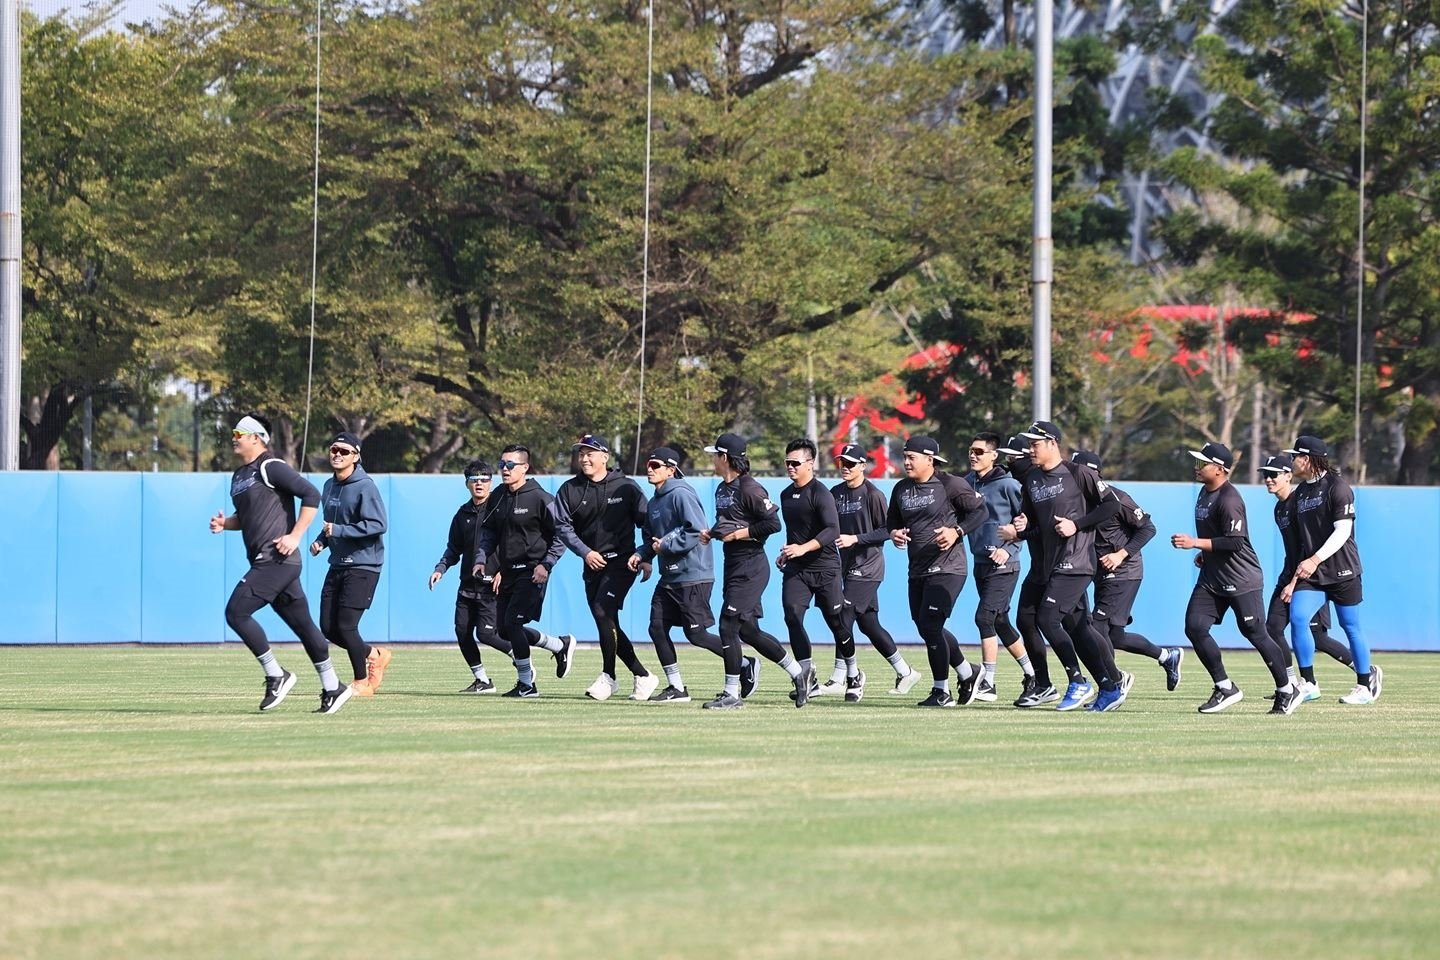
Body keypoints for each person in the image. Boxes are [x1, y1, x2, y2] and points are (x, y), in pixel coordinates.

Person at [210, 413, 352, 714]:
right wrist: (226, 524)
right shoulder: (239, 476)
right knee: (303, 626)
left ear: (256, 438)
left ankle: (276, 675)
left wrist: (295, 535)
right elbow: (247, 518)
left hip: (276, 560)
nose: (234, 438)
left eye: (239, 433)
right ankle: (333, 687)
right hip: (273, 563)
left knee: (236, 612)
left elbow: (311, 495)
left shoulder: (270, 466)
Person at [1004, 421, 1131, 712]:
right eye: (1029, 444)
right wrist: (1022, 525)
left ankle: (1077, 681)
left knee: (1048, 619)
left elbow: (1111, 505)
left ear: (1052, 443)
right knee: (1077, 628)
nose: (1031, 449)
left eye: (1035, 444)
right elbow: (1032, 521)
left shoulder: (1078, 473)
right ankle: (1109, 688)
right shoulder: (1033, 480)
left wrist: (1077, 524)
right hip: (1051, 565)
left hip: (1077, 562)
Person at [1170, 441, 1300, 715]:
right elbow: (1218, 537)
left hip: (1241, 578)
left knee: (1255, 633)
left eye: (1202, 463)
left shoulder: (1229, 499)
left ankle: (1287, 689)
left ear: (1220, 469)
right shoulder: (1205, 492)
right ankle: (1225, 687)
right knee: (1195, 627)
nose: (1197, 466)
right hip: (1212, 578)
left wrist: (1196, 543)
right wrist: (1205, 553)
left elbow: (1235, 542)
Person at [703, 432, 813, 708]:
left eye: (715, 455)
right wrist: (712, 533)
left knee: (727, 625)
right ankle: (799, 673)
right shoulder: (722, 489)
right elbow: (728, 522)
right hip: (733, 564)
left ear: (725, 457)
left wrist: (739, 534)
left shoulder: (749, 488)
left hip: (751, 566)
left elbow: (772, 524)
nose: (712, 460)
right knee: (748, 631)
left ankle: (732, 693)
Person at [553, 434, 659, 703]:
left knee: (603, 611)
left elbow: (648, 523)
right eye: (581, 454)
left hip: (623, 562)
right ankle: (643, 675)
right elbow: (562, 526)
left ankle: (608, 676)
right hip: (592, 564)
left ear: (605, 457)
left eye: (590, 453)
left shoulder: (627, 487)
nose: (584, 458)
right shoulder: (569, 489)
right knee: (607, 621)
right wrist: (586, 552)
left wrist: (646, 555)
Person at [885, 435, 988, 707]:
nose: (906, 462)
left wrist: (957, 531)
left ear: (929, 460)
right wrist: (894, 533)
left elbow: (981, 512)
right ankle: (968, 672)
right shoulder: (901, 489)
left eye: (912, 457)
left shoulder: (951, 484)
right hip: (917, 569)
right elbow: (892, 521)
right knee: (926, 627)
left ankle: (941, 691)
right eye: (905, 457)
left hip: (949, 567)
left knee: (931, 625)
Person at [1068, 450, 1184, 690]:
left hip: (1124, 571)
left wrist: (1120, 554)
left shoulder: (1117, 498)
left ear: (1094, 474)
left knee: (1097, 627)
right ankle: (1167, 656)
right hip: (1101, 574)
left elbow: (1148, 528)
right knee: (1115, 636)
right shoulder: (1076, 503)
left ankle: (1113, 684)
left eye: (1079, 471)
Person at [1281, 435, 1381, 704]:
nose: (1292, 461)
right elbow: (1301, 541)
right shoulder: (1301, 493)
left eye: (1294, 457)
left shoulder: (1338, 487)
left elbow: (1342, 531)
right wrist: (1294, 579)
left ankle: (1365, 685)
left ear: (1307, 459)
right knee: (1298, 618)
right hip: (1313, 574)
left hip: (1343, 570)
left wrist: (1314, 559)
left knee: (1350, 626)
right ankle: (1309, 683)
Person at [472, 444, 577, 698]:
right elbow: (488, 531)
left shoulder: (541, 498)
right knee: (503, 630)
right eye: (502, 465)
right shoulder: (498, 496)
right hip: (508, 572)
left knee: (513, 622)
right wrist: (481, 559)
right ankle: (558, 645)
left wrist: (546, 564)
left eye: (510, 465)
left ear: (525, 467)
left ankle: (527, 685)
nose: (505, 470)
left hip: (532, 571)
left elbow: (562, 535)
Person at [628, 447, 725, 705]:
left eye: (656, 465)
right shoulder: (654, 502)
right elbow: (651, 540)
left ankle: (744, 663)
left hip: (693, 574)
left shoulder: (681, 493)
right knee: (657, 627)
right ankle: (677, 688)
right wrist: (641, 554)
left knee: (697, 635)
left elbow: (696, 530)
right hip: (669, 577)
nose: (650, 469)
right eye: (648, 464)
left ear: (671, 470)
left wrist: (666, 545)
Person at [1258, 453, 1353, 701]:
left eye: (1273, 474)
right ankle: (1290, 684)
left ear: (1288, 476)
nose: (1268, 479)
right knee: (1272, 628)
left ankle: (1366, 672)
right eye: (1265, 474)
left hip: (1311, 577)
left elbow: (1307, 548)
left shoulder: (1299, 503)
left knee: (1318, 637)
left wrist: (1294, 583)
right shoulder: (1280, 508)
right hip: (1290, 573)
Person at [829, 443, 922, 695]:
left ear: (862, 466)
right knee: (868, 624)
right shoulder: (835, 493)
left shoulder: (873, 494)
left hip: (868, 566)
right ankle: (905, 671)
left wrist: (855, 539)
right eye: (842, 462)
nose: (845, 467)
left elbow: (887, 530)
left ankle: (843, 677)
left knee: (843, 616)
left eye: (851, 463)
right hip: (847, 565)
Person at [776, 438, 862, 700]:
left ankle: (853, 673)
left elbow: (832, 530)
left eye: (795, 463)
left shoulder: (821, 493)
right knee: (792, 615)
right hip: (797, 569)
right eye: (787, 462)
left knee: (836, 623)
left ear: (810, 464)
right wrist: (788, 552)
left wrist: (803, 548)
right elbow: (796, 533)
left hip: (825, 568)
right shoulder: (786, 495)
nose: (790, 467)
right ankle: (806, 678)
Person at [310, 431, 392, 697]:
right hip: (337, 564)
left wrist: (339, 531)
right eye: (334, 449)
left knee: (346, 626)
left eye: (344, 451)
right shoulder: (328, 486)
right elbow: (331, 525)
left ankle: (362, 682)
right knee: (328, 628)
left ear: (356, 457)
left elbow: (379, 524)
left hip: (363, 565)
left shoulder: (365, 486)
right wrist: (321, 541)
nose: (337, 454)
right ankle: (375, 655)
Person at [430, 459, 514, 693]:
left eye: (484, 480)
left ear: (491, 483)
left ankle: (520, 658)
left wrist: (504, 571)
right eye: (474, 480)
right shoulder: (462, 514)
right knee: (462, 631)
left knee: (487, 634)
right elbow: (453, 548)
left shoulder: (501, 510)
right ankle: (483, 680)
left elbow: (514, 544)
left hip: (492, 585)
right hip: (467, 585)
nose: (479, 484)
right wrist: (440, 569)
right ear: (467, 483)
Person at [964, 431, 1034, 702]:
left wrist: (1009, 550)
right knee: (1000, 622)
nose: (973, 455)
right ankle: (1033, 675)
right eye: (971, 451)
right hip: (980, 562)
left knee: (984, 618)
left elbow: (1027, 523)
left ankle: (988, 682)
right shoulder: (966, 483)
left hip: (1006, 564)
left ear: (994, 455)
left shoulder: (1009, 485)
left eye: (979, 451)